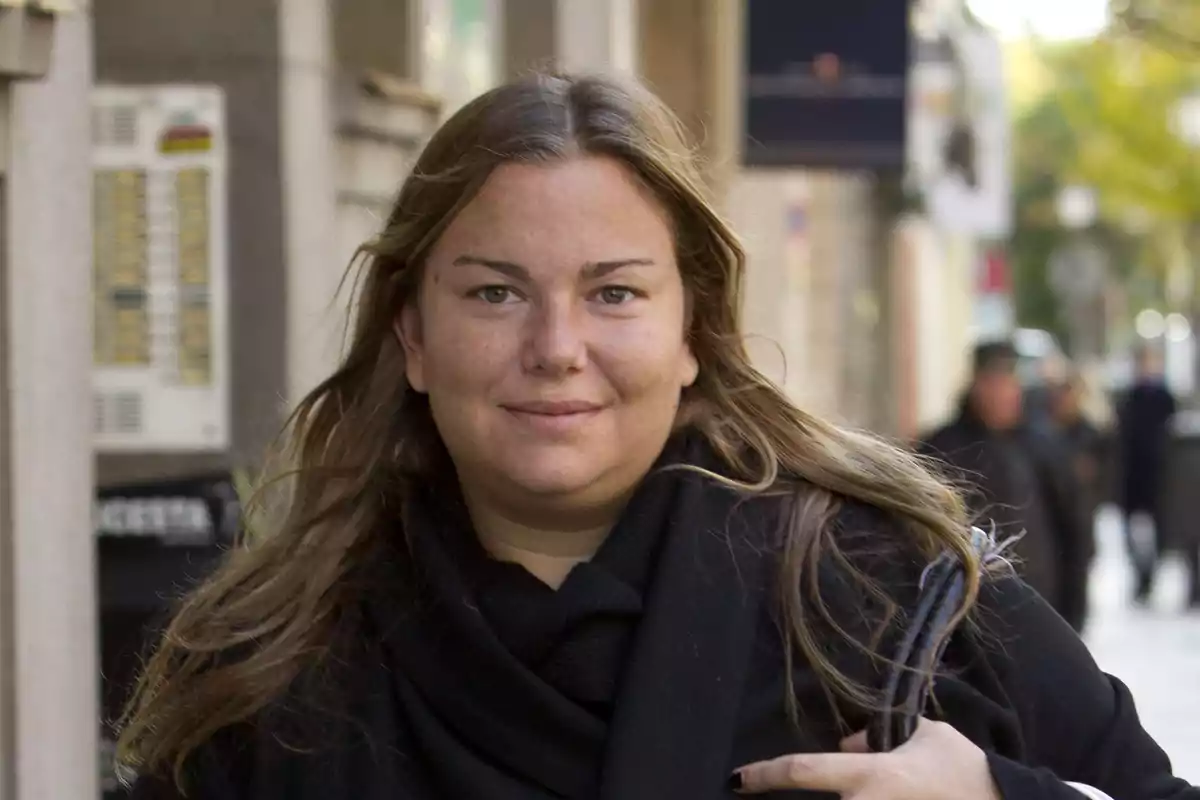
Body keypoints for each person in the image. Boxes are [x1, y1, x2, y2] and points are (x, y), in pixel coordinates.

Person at [118, 73, 1196, 800]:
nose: (556, 344)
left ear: (695, 328)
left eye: (615, 293)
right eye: (495, 292)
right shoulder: (270, 665)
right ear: (412, 333)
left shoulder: (893, 594)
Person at [919, 341, 1092, 632]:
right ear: (975, 385)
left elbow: (1074, 527)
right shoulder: (943, 446)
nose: (999, 393)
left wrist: (1075, 610)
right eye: (991, 382)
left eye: (1007, 382)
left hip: (1038, 602)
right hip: (965, 608)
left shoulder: (1044, 446)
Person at [1116, 345, 1179, 604]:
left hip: (1158, 476)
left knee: (1157, 532)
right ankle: (1140, 578)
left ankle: (1149, 577)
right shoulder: (1129, 397)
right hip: (1133, 475)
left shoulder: (1165, 397)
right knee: (1132, 532)